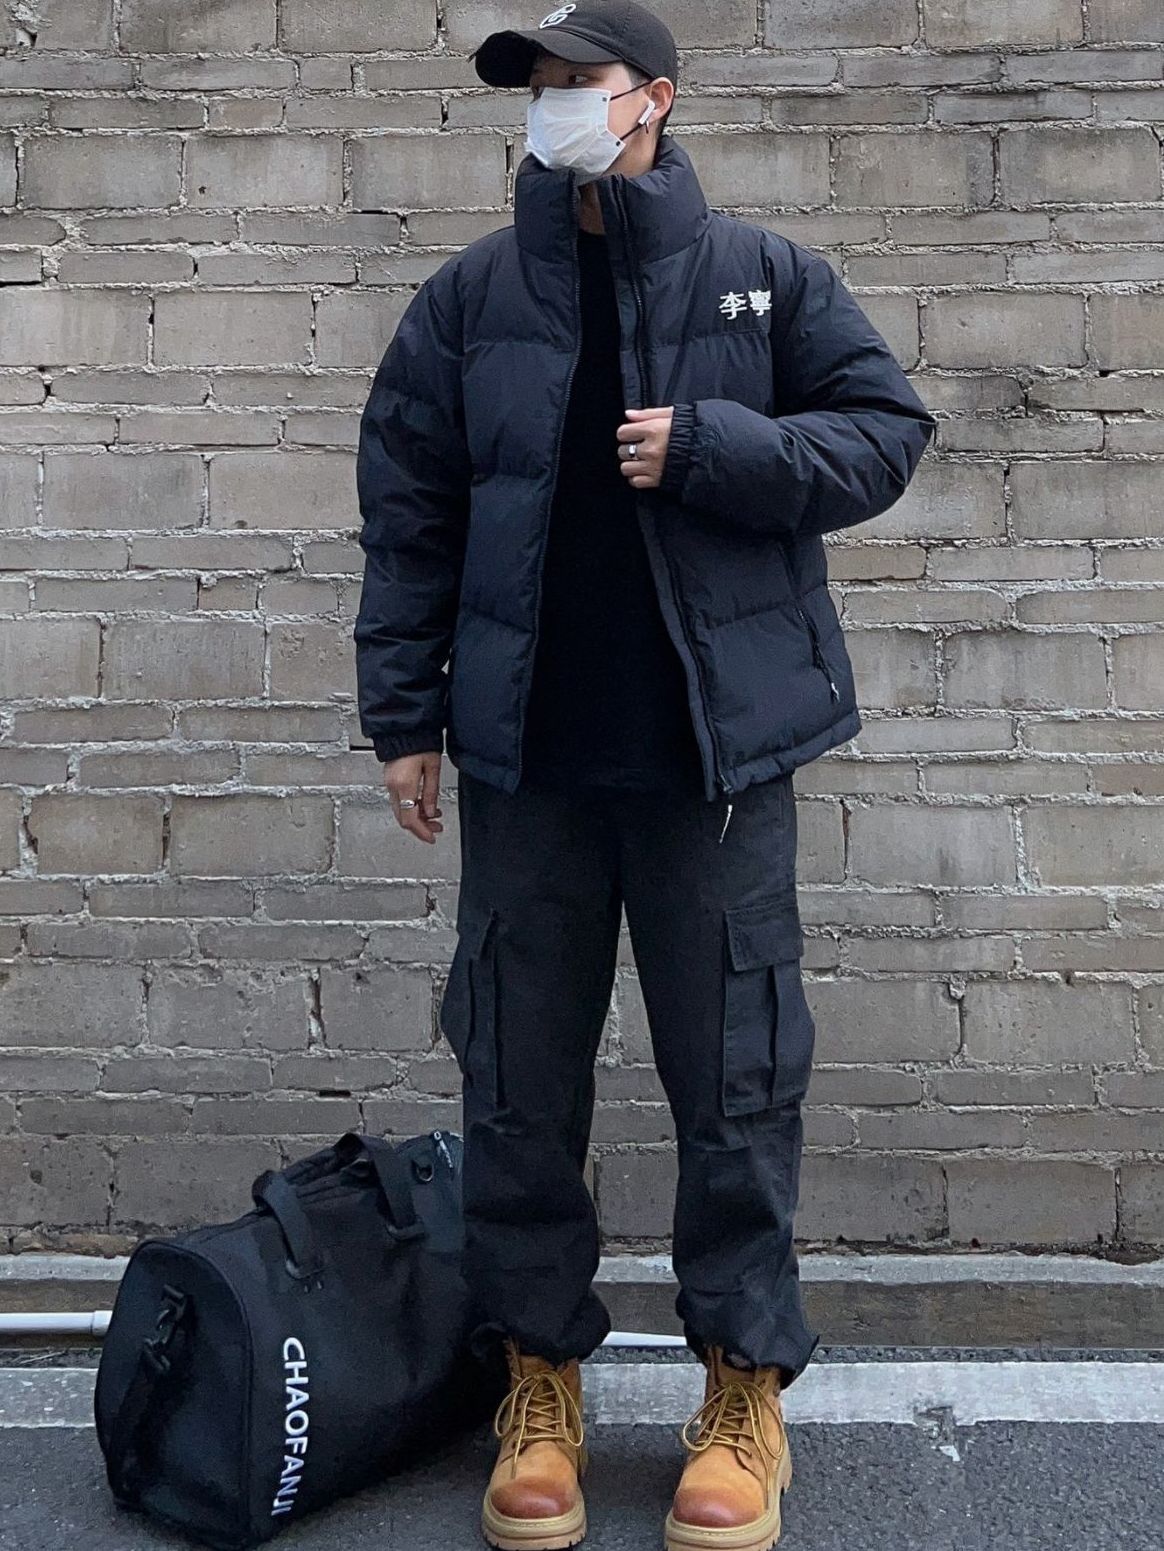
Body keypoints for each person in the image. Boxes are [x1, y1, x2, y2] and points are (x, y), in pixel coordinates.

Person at [353, 3, 937, 1546]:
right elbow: (407, 515)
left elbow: (885, 434)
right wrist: (404, 718)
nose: (553, 105)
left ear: (652, 100)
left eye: (578, 81)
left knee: (737, 1084)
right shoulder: (470, 300)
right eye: (536, 85)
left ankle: (742, 1388)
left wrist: (717, 448)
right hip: (528, 769)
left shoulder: (766, 278)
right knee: (516, 1085)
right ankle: (538, 1376)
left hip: (712, 771)